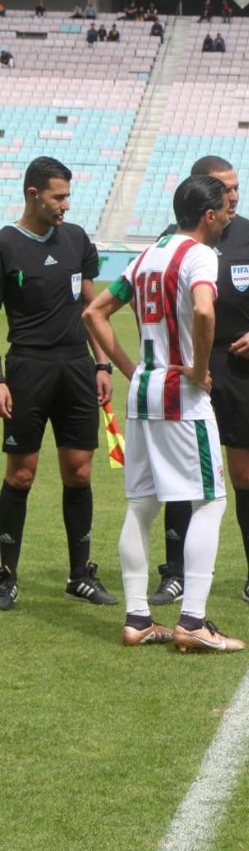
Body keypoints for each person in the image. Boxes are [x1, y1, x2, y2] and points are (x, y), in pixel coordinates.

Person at [83, 176, 246, 653]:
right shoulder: (199, 256)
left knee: (142, 505)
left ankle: (137, 618)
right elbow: (204, 310)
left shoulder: (148, 255)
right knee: (211, 501)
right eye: (224, 210)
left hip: (142, 394)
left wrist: (135, 369)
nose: (228, 216)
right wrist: (198, 368)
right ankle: (192, 621)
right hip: (179, 396)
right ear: (208, 215)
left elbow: (94, 313)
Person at [148, 157, 249, 609]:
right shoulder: (173, 242)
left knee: (245, 474)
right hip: (190, 370)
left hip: (239, 368)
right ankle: (174, 574)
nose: (233, 195)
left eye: (236, 186)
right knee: (183, 478)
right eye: (223, 188)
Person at [0, 157, 117, 611]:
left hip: (76, 369)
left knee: (80, 471)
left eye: (68, 196)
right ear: (33, 195)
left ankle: (80, 574)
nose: (66, 205)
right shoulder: (6, 244)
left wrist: (102, 365)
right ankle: (6, 574)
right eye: (58, 197)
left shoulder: (76, 238)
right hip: (27, 369)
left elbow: (92, 307)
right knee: (21, 474)